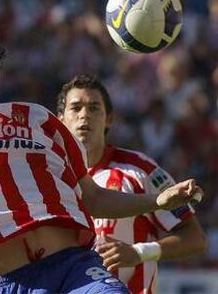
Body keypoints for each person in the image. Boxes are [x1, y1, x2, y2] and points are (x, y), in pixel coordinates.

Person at [0, 13, 203, 294]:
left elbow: (90, 196)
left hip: (73, 267)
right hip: (4, 281)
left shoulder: (38, 117)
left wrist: (154, 202)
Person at [57, 74, 207, 293]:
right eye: (76, 107)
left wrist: (138, 253)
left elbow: (195, 238)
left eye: (94, 107)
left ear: (109, 119)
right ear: (60, 119)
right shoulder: (49, 175)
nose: (84, 115)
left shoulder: (140, 169)